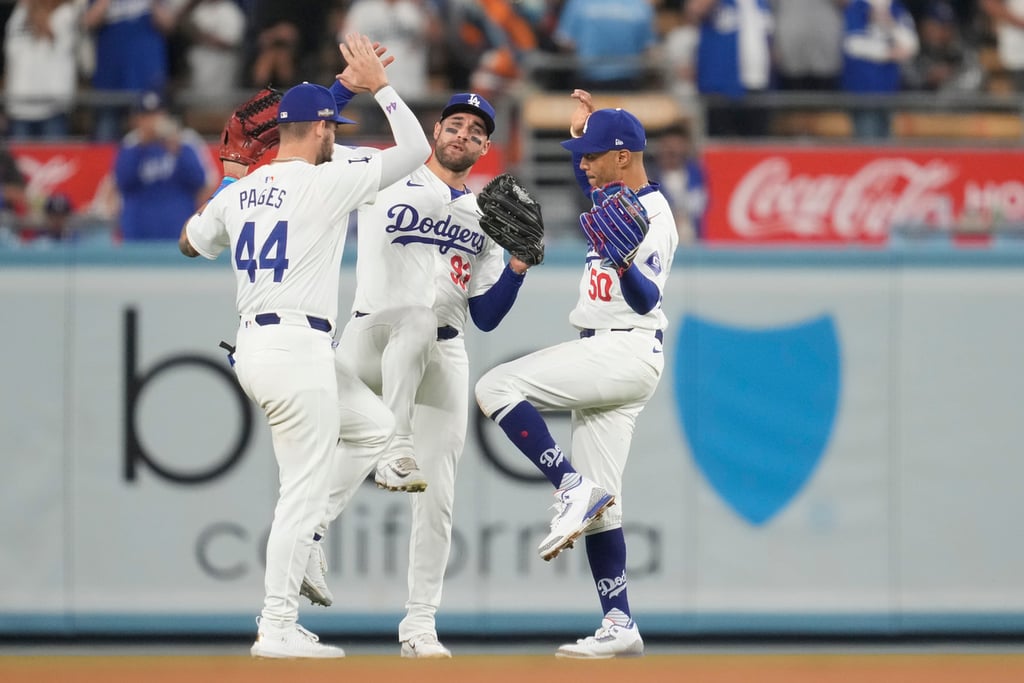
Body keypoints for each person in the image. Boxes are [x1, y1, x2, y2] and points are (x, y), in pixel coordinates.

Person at [178, 33, 431, 658]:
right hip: (295, 351)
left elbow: (189, 243)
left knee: (374, 428)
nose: (335, 135)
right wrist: (381, 88)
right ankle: (275, 626)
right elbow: (418, 149)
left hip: (262, 348)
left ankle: (308, 546)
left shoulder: (238, 194)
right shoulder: (331, 181)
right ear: (320, 131)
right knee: (301, 493)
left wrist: (234, 181)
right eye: (332, 126)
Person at [299, 88, 534, 658]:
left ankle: (420, 626)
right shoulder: (388, 171)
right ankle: (310, 534)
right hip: (370, 333)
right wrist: (349, 87)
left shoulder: (485, 216)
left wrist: (519, 267)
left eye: (477, 132)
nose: (464, 135)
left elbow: (486, 315)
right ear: (434, 131)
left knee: (439, 496)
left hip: (443, 351)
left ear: (484, 149)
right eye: (456, 124)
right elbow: (313, 146)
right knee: (343, 453)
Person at [474, 90, 678, 658]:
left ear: (623, 156)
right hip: (612, 355)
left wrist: (621, 261)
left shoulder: (655, 215)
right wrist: (586, 129)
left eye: (591, 154)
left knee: (495, 386)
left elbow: (645, 299)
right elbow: (594, 167)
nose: (581, 163)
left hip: (625, 347)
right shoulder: (611, 191)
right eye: (578, 154)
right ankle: (620, 624)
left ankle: (568, 485)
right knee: (602, 507)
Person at [113, 90, 208, 241]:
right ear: (137, 120)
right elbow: (123, 182)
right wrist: (142, 145)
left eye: (157, 115)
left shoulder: (184, 142)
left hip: (177, 232)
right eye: (146, 116)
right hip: (138, 234)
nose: (152, 121)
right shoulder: (131, 144)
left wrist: (176, 148)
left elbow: (199, 180)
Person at [686, 0, 775, 137]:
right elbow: (694, 10)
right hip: (721, 87)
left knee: (756, 143)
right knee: (721, 142)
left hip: (758, 84)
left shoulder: (761, 4)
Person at [3, 0, 81, 140]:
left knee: (54, 159)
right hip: (19, 107)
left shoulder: (66, 14)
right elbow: (11, 59)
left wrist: (36, 10)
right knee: (19, 161)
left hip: (52, 109)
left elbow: (54, 37)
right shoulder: (18, 13)